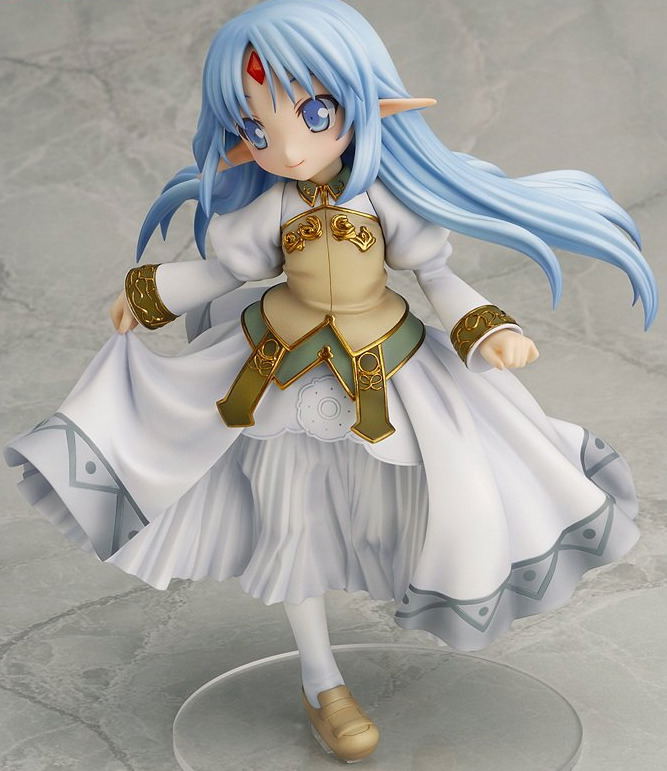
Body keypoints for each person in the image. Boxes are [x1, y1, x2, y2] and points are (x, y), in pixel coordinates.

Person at [4, 0, 657, 762]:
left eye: (313, 114)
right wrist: (149, 294)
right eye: (258, 130)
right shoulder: (268, 207)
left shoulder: (385, 200)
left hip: (387, 369)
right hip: (278, 375)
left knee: (443, 494)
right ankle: (323, 680)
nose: (287, 148)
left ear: (360, 101)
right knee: (293, 524)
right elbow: (223, 271)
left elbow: (437, 276)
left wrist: (489, 329)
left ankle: (426, 592)